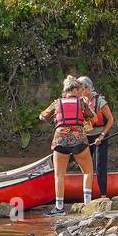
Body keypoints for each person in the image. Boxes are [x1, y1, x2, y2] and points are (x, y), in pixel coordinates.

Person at [38, 77, 94, 216]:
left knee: (59, 175)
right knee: (87, 172)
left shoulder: (57, 103)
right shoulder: (81, 102)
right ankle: (87, 204)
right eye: (80, 90)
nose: (81, 93)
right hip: (79, 140)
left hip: (60, 140)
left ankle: (59, 207)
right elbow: (92, 116)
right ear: (74, 90)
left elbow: (42, 116)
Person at [80, 77, 114, 198]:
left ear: (88, 88)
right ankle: (86, 195)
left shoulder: (100, 101)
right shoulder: (80, 101)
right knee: (85, 166)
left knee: (100, 165)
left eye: (82, 88)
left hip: (100, 136)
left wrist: (102, 135)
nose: (80, 91)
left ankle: (103, 195)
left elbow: (110, 120)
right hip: (86, 136)